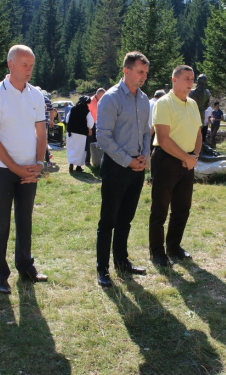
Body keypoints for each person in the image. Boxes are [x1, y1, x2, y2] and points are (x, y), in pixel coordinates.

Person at [0, 45, 48, 294]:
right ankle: (0, 274)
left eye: (32, 65)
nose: (29, 69)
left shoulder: (36, 95)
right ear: (10, 64)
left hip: (30, 168)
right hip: (2, 169)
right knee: (0, 224)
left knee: (25, 220)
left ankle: (25, 266)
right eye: (24, 64)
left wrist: (39, 164)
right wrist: (16, 169)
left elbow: (41, 134)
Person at [95, 51, 151, 287]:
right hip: (117, 167)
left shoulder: (144, 99)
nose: (143, 77)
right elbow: (103, 137)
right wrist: (128, 160)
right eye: (140, 72)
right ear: (126, 71)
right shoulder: (111, 98)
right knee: (108, 220)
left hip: (137, 168)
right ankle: (103, 269)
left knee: (126, 219)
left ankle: (121, 262)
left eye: (146, 73)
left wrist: (145, 156)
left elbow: (148, 131)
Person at [149, 65, 202, 267]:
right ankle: (157, 251)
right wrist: (186, 158)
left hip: (188, 160)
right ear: (175, 80)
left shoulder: (193, 104)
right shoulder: (164, 103)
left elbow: (198, 134)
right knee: (160, 208)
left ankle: (174, 246)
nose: (191, 83)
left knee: (182, 208)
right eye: (187, 78)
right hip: (166, 160)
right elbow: (163, 139)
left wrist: (194, 155)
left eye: (192, 79)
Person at [66, 95, 94, 173]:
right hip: (81, 133)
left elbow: (67, 119)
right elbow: (90, 123)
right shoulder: (86, 111)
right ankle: (78, 166)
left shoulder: (73, 109)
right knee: (80, 150)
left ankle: (71, 164)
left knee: (72, 148)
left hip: (71, 132)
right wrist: (89, 128)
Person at [86, 88, 106, 166]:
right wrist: (88, 127)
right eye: (102, 95)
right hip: (91, 125)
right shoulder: (90, 101)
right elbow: (86, 115)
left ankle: (98, 160)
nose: (103, 96)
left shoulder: (104, 101)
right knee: (89, 142)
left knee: (98, 143)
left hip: (100, 124)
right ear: (98, 94)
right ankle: (87, 160)